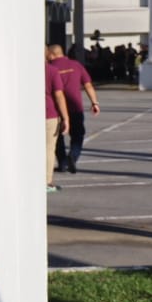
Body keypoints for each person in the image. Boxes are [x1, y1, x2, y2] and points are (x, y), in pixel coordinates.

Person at [48, 43, 99, 174]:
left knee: (58, 137)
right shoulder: (76, 65)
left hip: (57, 109)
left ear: (52, 55)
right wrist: (94, 103)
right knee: (77, 135)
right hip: (75, 107)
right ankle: (73, 155)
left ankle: (62, 163)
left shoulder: (50, 68)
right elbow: (88, 85)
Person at [45, 50, 69, 193]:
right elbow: (59, 95)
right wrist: (65, 117)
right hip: (49, 114)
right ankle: (46, 181)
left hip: (27, 114)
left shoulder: (24, 69)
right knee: (48, 149)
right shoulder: (52, 70)